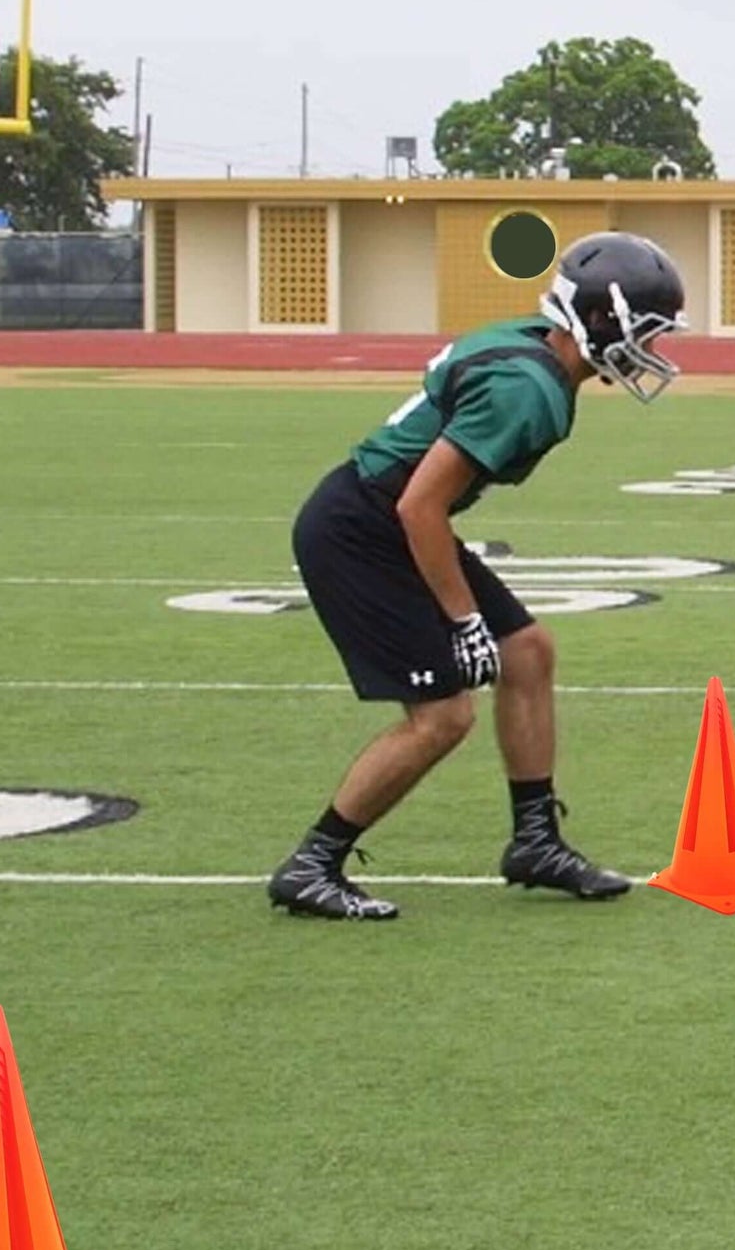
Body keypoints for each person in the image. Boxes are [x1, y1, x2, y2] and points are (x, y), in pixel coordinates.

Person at [267, 230, 688, 920]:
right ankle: (312, 863)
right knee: (443, 717)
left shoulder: (534, 350)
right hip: (364, 528)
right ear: (599, 318)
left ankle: (535, 841)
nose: (652, 346)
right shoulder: (528, 388)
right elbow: (419, 506)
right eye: (645, 328)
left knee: (528, 651)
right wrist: (463, 621)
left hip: (385, 515)